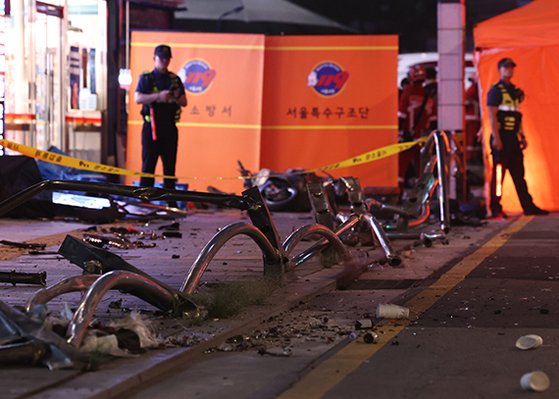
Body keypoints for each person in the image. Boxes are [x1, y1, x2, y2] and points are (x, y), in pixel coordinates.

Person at [487, 57, 548, 217]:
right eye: (506, 67)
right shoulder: (496, 90)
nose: (509, 70)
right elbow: (492, 116)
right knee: (499, 175)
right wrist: (496, 138)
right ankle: (495, 208)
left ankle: (528, 206)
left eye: (511, 68)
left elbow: (517, 116)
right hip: (502, 137)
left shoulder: (514, 91)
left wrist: (522, 135)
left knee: (519, 174)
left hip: (513, 138)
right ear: (500, 69)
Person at [135, 44, 187, 195]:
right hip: (151, 129)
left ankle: (170, 201)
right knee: (148, 166)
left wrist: (176, 96)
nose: (164, 61)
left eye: (167, 58)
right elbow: (137, 98)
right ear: (154, 58)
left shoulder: (175, 79)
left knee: (169, 168)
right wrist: (159, 96)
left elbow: (184, 102)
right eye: (161, 58)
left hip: (169, 128)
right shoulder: (146, 78)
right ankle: (145, 198)